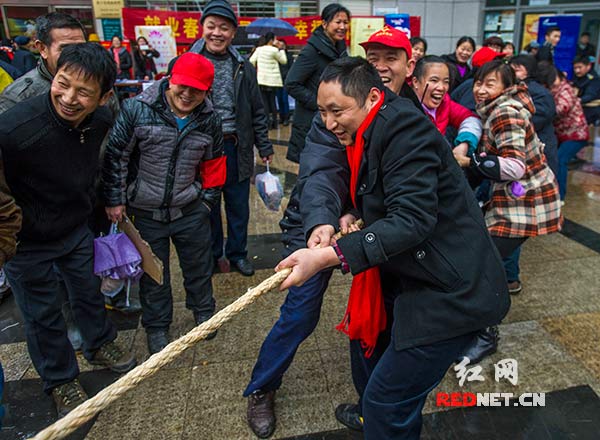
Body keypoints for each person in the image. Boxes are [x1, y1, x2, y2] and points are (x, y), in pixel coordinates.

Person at [276, 56, 509, 439]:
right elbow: (372, 188)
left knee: (386, 400)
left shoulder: (404, 126)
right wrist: (348, 213)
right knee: (387, 386)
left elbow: (412, 219)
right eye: (321, 111)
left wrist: (327, 256)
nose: (329, 122)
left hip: (452, 289)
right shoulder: (373, 123)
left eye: (337, 111)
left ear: (370, 97)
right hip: (416, 276)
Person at [245, 25, 422, 439]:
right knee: (301, 313)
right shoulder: (337, 108)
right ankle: (262, 387)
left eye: (390, 59)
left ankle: (374, 401)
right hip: (314, 226)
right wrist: (327, 219)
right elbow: (322, 170)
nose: (380, 67)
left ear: (408, 65)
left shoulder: (408, 115)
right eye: (372, 58)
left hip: (377, 233)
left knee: (387, 314)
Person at [0, 43, 137, 417]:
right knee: (42, 313)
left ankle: (99, 342)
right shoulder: (14, 128)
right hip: (28, 241)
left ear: (104, 96)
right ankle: (60, 379)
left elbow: (106, 164)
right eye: (63, 84)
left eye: (83, 92)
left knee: (88, 291)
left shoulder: (103, 121)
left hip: (75, 226)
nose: (69, 98)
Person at [103, 52, 224, 354]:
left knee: (198, 266)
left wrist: (206, 203)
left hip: (189, 208)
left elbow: (215, 167)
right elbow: (116, 156)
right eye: (182, 85)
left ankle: (204, 312)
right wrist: (116, 200)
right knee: (153, 272)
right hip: (144, 209)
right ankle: (157, 326)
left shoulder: (210, 120)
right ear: (170, 80)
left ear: (206, 91)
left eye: (196, 89)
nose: (187, 94)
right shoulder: (136, 109)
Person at [454, 59, 562, 364]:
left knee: (483, 265)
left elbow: (514, 167)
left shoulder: (504, 112)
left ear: (506, 88)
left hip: (525, 205)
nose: (480, 89)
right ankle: (481, 328)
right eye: (478, 82)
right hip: (517, 202)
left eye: (490, 84)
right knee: (486, 263)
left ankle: (486, 334)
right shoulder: (499, 108)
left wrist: (468, 162)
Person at [190, 0, 274, 277]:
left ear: (233, 32)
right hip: (203, 150)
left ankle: (237, 254)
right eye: (211, 26)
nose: (217, 33)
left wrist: (264, 145)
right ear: (202, 28)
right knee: (208, 207)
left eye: (224, 28)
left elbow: (257, 109)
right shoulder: (188, 62)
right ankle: (213, 255)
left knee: (238, 206)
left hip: (236, 146)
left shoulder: (243, 66)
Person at [285, 2, 350, 163]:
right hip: (310, 124)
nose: (342, 26)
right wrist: (320, 106)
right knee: (311, 175)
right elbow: (292, 83)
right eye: (338, 22)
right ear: (325, 24)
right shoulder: (312, 51)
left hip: (333, 123)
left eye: (346, 22)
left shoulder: (340, 49)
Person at [0, 13, 86, 113]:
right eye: (65, 48)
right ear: (42, 49)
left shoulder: (98, 79)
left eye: (81, 47)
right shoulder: (18, 96)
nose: (76, 54)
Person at [537, 61, 589, 204]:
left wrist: (544, 108)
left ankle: (560, 196)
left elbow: (562, 108)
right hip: (562, 134)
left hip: (576, 135)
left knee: (561, 160)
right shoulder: (555, 88)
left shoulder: (565, 89)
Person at [411, 55, 482, 157]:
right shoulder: (405, 108)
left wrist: (464, 143)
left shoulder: (445, 103)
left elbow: (470, 118)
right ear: (416, 82)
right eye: (434, 80)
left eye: (446, 82)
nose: (441, 87)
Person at [249, 32, 287, 130]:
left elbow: (251, 61)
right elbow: (283, 61)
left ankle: (267, 123)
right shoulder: (275, 50)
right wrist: (281, 49)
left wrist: (257, 69)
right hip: (273, 81)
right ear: (271, 40)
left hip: (262, 79)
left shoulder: (259, 49)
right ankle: (275, 122)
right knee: (272, 102)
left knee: (264, 103)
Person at [572, 54, 600, 125]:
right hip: (578, 109)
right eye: (575, 68)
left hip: (591, 112)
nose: (577, 70)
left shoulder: (594, 79)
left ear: (588, 66)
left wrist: (575, 101)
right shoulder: (577, 77)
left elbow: (590, 95)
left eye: (580, 67)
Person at [275, 39, 293, 126]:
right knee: (279, 99)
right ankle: (281, 117)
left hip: (285, 80)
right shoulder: (277, 55)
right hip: (277, 80)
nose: (281, 47)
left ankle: (286, 117)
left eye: (282, 45)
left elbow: (291, 68)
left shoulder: (289, 55)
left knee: (285, 99)